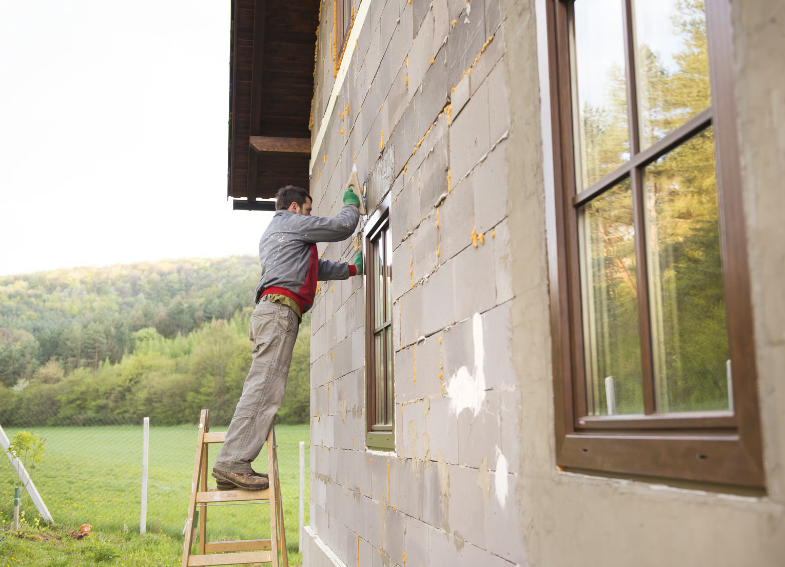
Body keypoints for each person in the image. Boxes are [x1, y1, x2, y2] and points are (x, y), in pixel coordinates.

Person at [212, 184, 363, 490]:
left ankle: (231, 463)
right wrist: (351, 206)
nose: (310, 216)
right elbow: (340, 227)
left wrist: (350, 269)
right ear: (294, 208)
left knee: (263, 386)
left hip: (273, 313)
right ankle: (232, 463)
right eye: (308, 210)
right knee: (265, 388)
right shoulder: (288, 222)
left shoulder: (282, 234)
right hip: (279, 313)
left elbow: (312, 268)